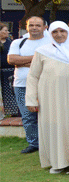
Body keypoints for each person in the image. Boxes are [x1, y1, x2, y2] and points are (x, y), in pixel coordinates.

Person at [25, 22, 69, 173]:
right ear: (50, 33)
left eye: (63, 31)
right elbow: (33, 76)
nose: (59, 34)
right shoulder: (42, 51)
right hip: (50, 99)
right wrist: (30, 99)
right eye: (55, 32)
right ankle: (57, 162)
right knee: (54, 127)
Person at [8, 16, 51, 153]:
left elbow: (51, 61)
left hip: (46, 84)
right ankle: (34, 144)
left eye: (37, 25)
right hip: (21, 85)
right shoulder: (18, 42)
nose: (34, 28)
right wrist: (38, 59)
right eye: (31, 25)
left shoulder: (51, 41)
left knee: (48, 115)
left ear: (45, 27)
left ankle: (49, 143)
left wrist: (23, 62)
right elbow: (12, 59)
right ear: (26, 27)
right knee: (27, 116)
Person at [0, 23, 19, 117]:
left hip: (9, 72)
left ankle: (12, 112)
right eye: (5, 30)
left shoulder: (11, 43)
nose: (7, 32)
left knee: (9, 92)